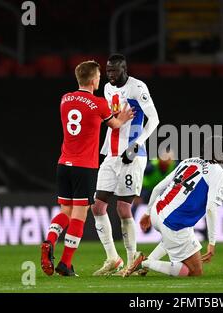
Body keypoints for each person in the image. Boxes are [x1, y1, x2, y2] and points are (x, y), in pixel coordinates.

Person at [40, 60, 134, 276]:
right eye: (99, 76)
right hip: (84, 166)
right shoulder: (100, 103)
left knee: (65, 211)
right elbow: (115, 125)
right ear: (93, 80)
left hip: (64, 163)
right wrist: (124, 116)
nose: (101, 79)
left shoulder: (65, 99)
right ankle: (65, 263)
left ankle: (50, 239)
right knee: (79, 216)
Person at [92, 54, 160, 276]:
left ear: (124, 69)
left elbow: (155, 119)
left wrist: (136, 145)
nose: (110, 75)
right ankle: (113, 258)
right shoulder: (107, 89)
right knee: (98, 206)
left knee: (123, 208)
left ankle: (132, 260)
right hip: (111, 154)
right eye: (108, 71)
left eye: (114, 71)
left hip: (133, 155)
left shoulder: (138, 88)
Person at [124, 139, 223, 277]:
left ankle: (148, 262)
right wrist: (212, 242)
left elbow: (157, 188)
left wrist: (148, 213)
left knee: (172, 238)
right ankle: (145, 262)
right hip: (173, 223)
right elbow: (210, 208)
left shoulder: (189, 161)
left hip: (157, 211)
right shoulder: (218, 173)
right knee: (195, 272)